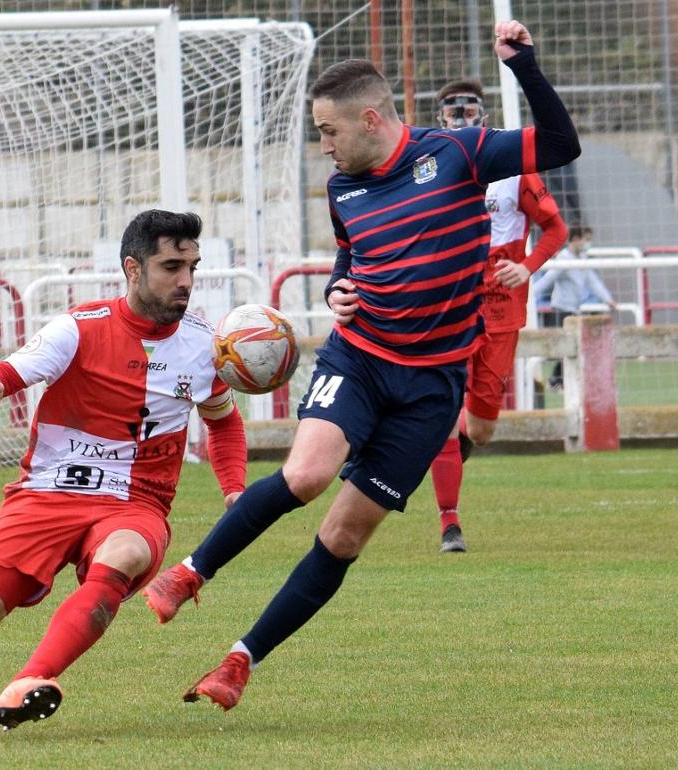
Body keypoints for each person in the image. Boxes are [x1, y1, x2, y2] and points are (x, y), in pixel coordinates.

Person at [141, 19, 580, 711]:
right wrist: (334, 290)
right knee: (307, 473)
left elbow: (561, 144)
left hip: (433, 386)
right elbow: (350, 261)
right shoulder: (341, 187)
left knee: (344, 534)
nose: (325, 145)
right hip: (363, 357)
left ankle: (239, 660)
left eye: (329, 131)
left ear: (369, 119)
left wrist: (523, 64)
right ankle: (191, 573)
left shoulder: (460, 156)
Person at [0, 210, 248, 739]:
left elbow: (224, 423)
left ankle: (31, 679)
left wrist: (234, 488)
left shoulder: (204, 346)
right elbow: (7, 372)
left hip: (136, 504)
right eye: (171, 266)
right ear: (132, 268)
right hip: (46, 495)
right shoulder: (79, 327)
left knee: (125, 554)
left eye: (192, 267)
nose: (185, 281)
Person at [428, 77, 568, 553]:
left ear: (483, 116)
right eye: (452, 112)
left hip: (501, 308)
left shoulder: (513, 170)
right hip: (450, 302)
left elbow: (555, 229)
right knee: (442, 410)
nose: (461, 119)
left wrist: (525, 267)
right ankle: (450, 523)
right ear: (440, 117)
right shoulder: (431, 168)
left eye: (469, 111)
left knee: (482, 427)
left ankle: (446, 453)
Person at [534, 226, 618, 328]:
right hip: (561, 311)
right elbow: (547, 279)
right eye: (586, 240)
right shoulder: (564, 258)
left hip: (575, 310)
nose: (588, 243)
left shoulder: (582, 258)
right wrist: (530, 295)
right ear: (575, 239)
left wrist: (608, 300)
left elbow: (593, 282)